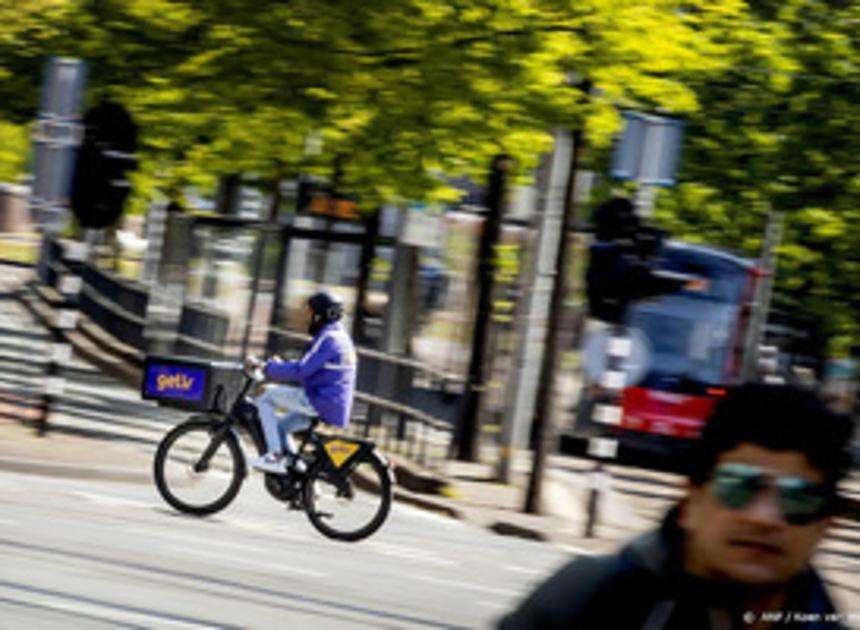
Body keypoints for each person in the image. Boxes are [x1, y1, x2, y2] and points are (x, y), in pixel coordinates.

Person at [500, 383, 853, 629]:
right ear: (690, 501)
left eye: (797, 499)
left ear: (826, 525)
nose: (764, 518)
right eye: (739, 487)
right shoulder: (588, 603)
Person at [246, 291, 357, 474]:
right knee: (281, 428)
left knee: (264, 394)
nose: (307, 317)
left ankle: (275, 456)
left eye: (310, 313)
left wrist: (265, 367)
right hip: (331, 402)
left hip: (319, 400)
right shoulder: (340, 337)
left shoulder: (327, 338)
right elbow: (310, 367)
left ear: (321, 315)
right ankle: (300, 476)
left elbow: (301, 371)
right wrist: (279, 366)